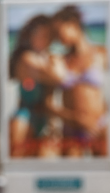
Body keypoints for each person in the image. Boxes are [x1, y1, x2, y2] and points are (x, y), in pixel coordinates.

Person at [53, 5, 110, 157]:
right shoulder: (59, 60)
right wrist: (75, 118)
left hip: (99, 124)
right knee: (71, 177)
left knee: (104, 176)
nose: (58, 38)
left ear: (73, 24)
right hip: (72, 126)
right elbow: (46, 104)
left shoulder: (102, 53)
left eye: (59, 31)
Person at [8, 14, 67, 158]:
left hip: (48, 118)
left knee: (45, 166)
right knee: (18, 158)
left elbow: (59, 77)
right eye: (37, 35)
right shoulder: (26, 57)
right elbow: (59, 77)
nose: (41, 39)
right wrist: (56, 61)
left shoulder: (49, 57)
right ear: (29, 36)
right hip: (26, 114)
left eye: (45, 35)